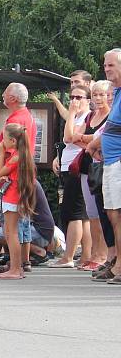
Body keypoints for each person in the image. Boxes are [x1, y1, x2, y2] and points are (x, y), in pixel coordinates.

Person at [50, 81, 92, 268]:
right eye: (72, 97)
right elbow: (67, 140)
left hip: (78, 167)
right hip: (68, 166)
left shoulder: (85, 117)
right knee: (81, 215)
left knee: (74, 213)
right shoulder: (75, 117)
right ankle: (85, 256)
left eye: (79, 97)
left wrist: (73, 112)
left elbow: (69, 137)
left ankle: (69, 257)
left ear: (88, 100)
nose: (74, 101)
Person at [71, 82, 111, 270]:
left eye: (101, 95)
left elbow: (102, 139)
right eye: (94, 95)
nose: (97, 98)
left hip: (103, 167)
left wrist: (89, 140)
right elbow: (72, 136)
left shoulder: (111, 117)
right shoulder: (90, 116)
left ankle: (103, 255)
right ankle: (95, 253)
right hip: (87, 168)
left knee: (105, 212)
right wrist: (90, 142)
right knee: (92, 213)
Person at [0, 123, 37, 279]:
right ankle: (16, 267)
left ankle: (15, 268)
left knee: (11, 233)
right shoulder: (24, 155)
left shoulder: (15, 157)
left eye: (4, 139)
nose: (2, 142)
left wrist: (1, 153)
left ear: (12, 141)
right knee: (12, 232)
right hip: (18, 196)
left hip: (12, 197)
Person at [96, 48, 121, 284]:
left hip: (119, 162)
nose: (106, 69)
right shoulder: (118, 93)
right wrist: (96, 143)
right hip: (111, 161)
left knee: (119, 214)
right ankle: (117, 264)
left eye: (110, 65)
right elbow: (111, 127)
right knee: (113, 214)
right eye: (105, 65)